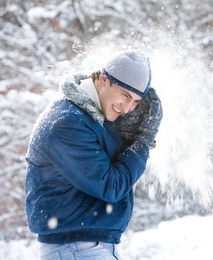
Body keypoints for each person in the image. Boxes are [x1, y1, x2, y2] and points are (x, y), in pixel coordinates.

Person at [25, 49, 162, 260]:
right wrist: (141, 143)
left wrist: (124, 139)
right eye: (125, 95)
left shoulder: (90, 119)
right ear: (102, 79)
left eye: (135, 102)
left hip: (85, 248)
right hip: (75, 249)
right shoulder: (68, 122)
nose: (127, 108)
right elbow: (110, 185)